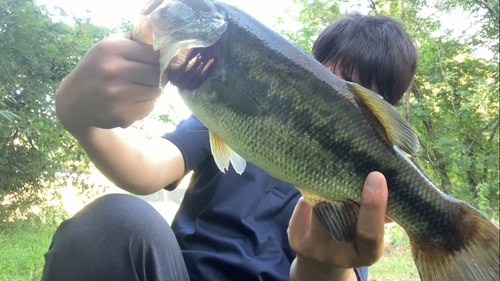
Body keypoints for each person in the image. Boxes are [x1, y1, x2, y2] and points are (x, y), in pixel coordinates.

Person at [41, 13, 417, 281]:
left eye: (356, 101)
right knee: (113, 221)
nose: (332, 109)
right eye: (328, 84)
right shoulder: (222, 119)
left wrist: (326, 267)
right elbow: (146, 168)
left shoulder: (365, 189)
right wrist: (80, 119)